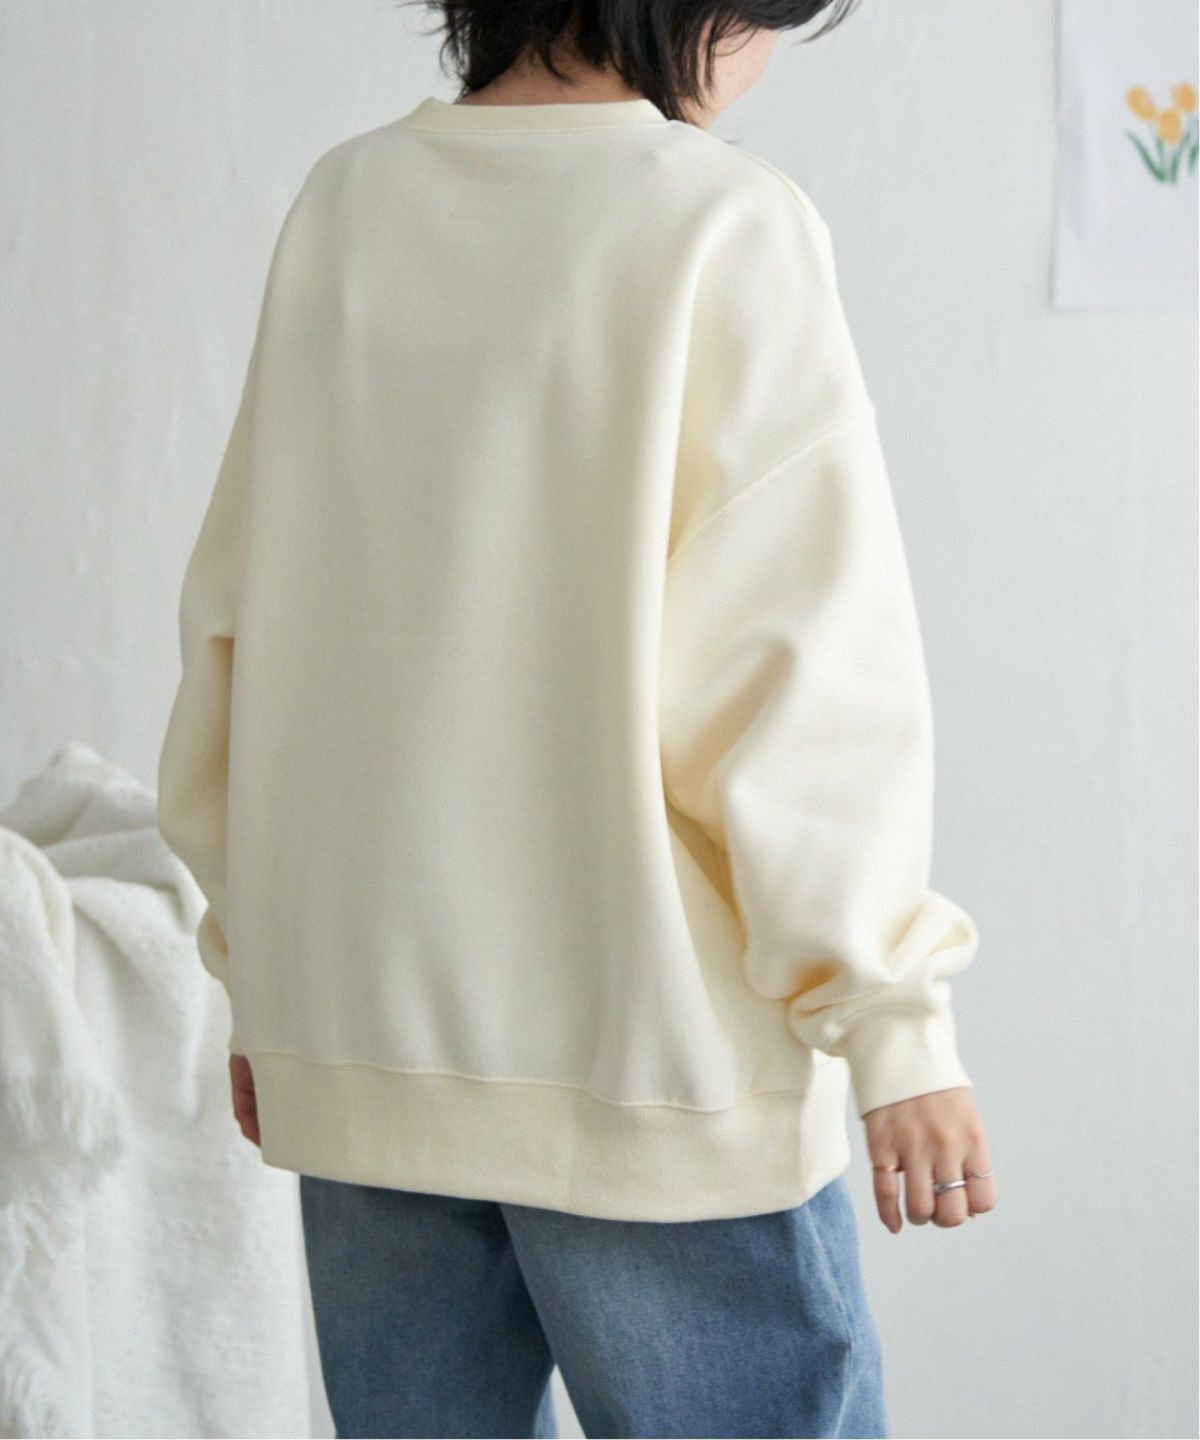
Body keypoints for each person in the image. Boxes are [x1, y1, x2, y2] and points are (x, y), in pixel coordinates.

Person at [156, 2, 998, 1435]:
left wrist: (268, 983)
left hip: (362, 1057)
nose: (760, 65)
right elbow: (796, 683)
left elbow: (242, 627)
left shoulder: (345, 205)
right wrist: (893, 1023)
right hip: (651, 1080)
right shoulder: (719, 221)